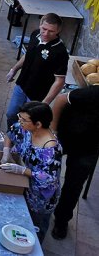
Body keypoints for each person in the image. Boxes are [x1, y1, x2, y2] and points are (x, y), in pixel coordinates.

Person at [1, 101, 62, 242]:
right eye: (19, 117)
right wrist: (6, 152)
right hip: (24, 186)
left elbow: (49, 178)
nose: (19, 121)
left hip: (40, 196)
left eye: (23, 120)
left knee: (36, 226)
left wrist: (23, 170)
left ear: (38, 124)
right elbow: (11, 134)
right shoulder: (26, 129)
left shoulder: (51, 149)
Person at [49, 76, 99, 240]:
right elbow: (61, 100)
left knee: (74, 185)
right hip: (66, 135)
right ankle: (36, 203)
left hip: (88, 148)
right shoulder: (93, 93)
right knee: (45, 168)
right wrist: (53, 132)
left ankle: (61, 220)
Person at [3, 12, 69, 128]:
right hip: (21, 85)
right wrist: (14, 69)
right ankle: (11, 138)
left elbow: (59, 80)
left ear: (58, 31)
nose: (46, 33)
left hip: (37, 94)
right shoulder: (35, 35)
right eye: (44, 29)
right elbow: (28, 55)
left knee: (28, 122)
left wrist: (45, 102)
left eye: (51, 31)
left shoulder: (60, 52)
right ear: (40, 25)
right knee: (11, 114)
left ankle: (22, 143)